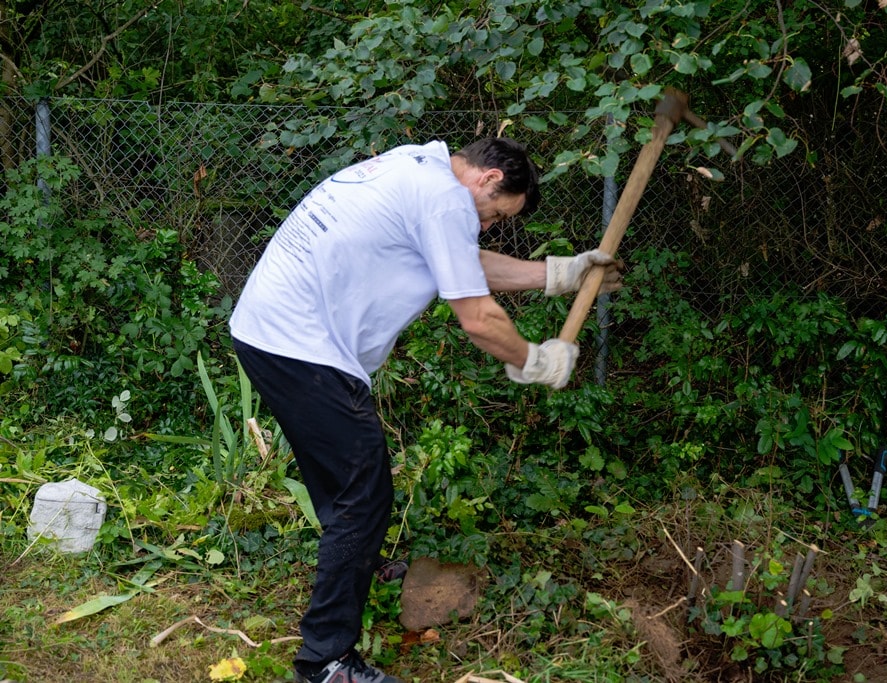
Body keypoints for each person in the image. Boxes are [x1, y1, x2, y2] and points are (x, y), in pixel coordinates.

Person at [229, 137, 621, 683]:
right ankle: (325, 661)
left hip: (273, 331)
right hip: (300, 344)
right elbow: (479, 319)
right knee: (363, 494)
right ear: (486, 179)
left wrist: (556, 274)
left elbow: (460, 261)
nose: (486, 226)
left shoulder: (419, 167)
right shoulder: (443, 199)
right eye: (494, 214)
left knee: (347, 484)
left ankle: (355, 562)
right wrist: (534, 361)